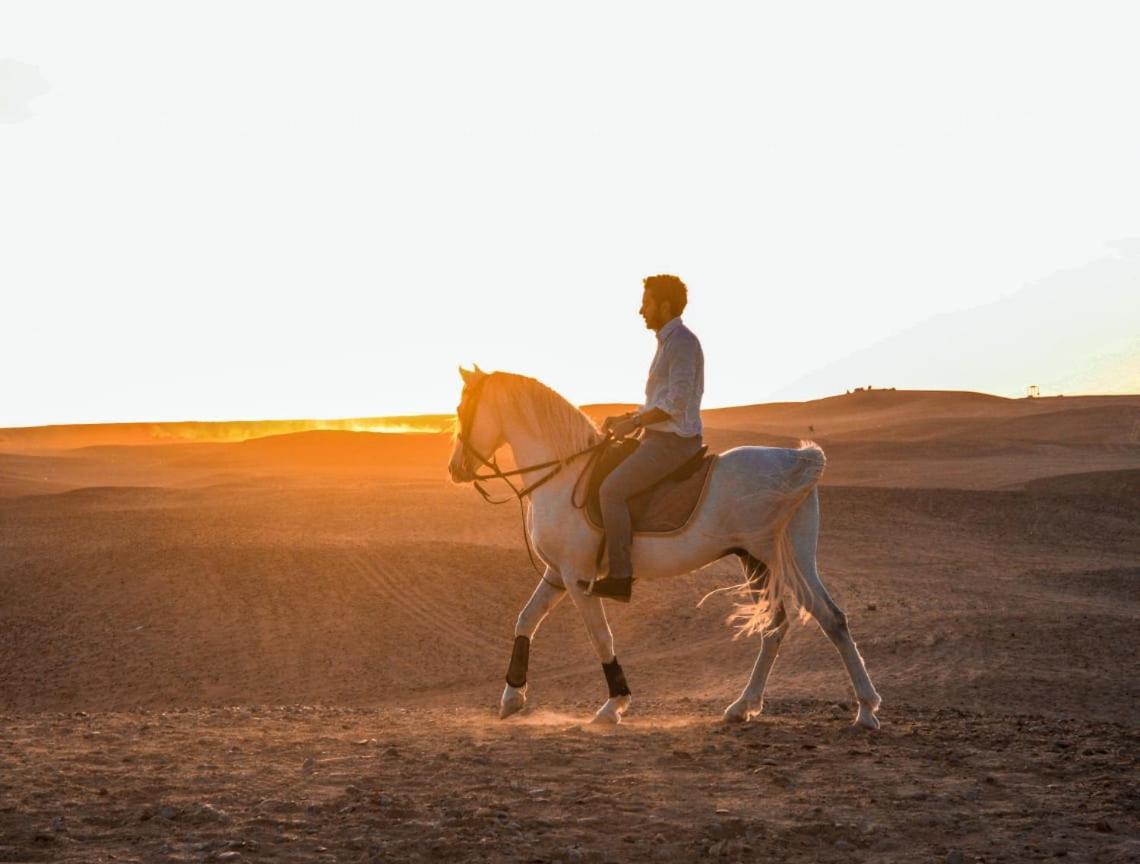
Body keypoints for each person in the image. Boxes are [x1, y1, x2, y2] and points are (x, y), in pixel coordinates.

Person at [578, 274, 705, 602]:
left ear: (664, 305)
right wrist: (628, 418)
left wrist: (635, 420)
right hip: (657, 437)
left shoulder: (682, 344)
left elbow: (675, 403)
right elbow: (657, 401)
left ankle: (620, 576)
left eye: (646, 303)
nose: (640, 311)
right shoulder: (667, 342)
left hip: (674, 443)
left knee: (611, 491)